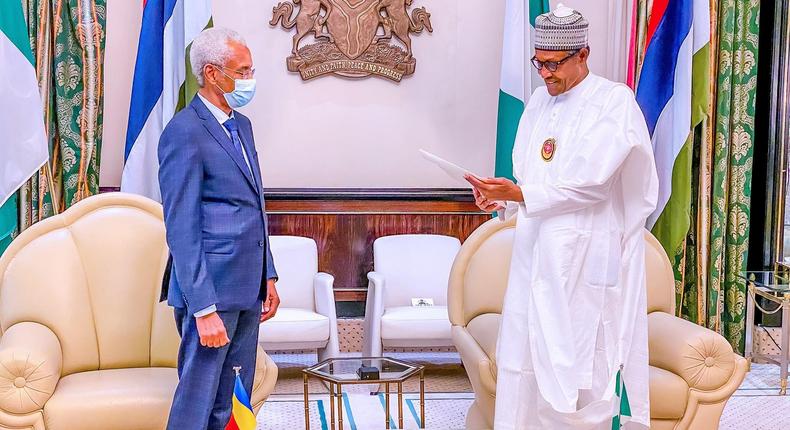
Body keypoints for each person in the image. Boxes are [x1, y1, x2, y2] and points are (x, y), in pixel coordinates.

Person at [465, 5, 659, 429]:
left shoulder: (613, 101)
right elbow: (532, 179)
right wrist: (504, 200)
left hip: (586, 258)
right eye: (539, 63)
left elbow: (592, 183)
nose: (545, 74)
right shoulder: (538, 102)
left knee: (579, 372)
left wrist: (521, 193)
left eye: (554, 64)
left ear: (583, 54)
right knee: (523, 365)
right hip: (534, 255)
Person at [158, 27, 280, 429]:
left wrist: (269, 276)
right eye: (242, 71)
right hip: (210, 292)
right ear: (212, 73)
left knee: (231, 399)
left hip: (247, 287)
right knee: (199, 399)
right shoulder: (184, 131)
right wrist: (204, 307)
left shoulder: (241, 125)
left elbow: (254, 206)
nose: (250, 79)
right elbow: (182, 226)